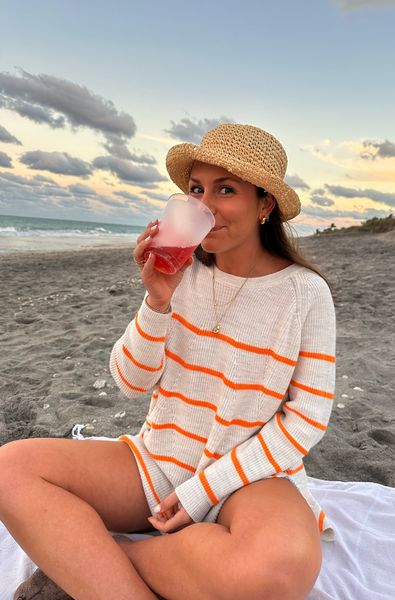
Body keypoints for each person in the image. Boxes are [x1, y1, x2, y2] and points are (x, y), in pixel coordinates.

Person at [0, 123, 336, 600]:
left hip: (247, 481)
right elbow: (129, 382)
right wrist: (156, 301)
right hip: (158, 462)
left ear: (265, 205)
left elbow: (306, 419)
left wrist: (205, 489)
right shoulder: (179, 273)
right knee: (10, 468)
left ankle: (110, 557)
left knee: (281, 570)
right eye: (197, 189)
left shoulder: (304, 293)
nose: (206, 204)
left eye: (226, 190)